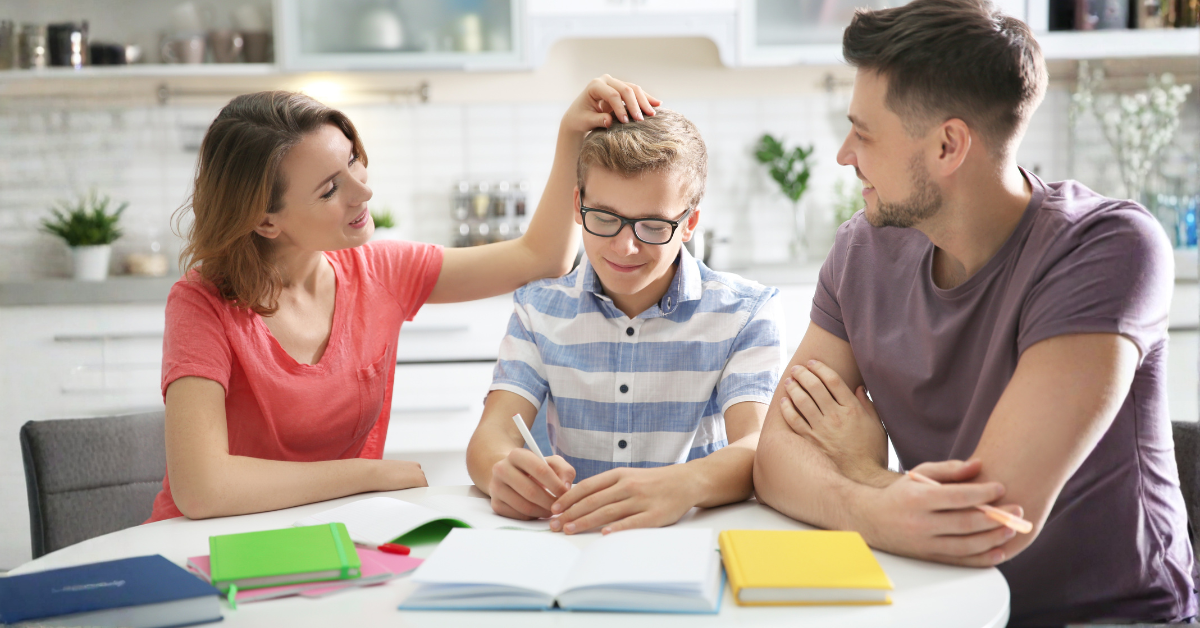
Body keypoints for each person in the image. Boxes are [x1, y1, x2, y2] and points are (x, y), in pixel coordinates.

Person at [751, 0, 1196, 624]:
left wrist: (857, 470)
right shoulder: (862, 250)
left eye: (864, 131)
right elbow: (775, 459)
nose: (844, 154)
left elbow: (992, 524)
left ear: (947, 145)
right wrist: (876, 504)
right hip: (947, 604)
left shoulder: (1107, 248)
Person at [147, 76, 660, 522]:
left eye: (353, 162)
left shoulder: (381, 271)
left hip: (337, 532)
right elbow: (202, 488)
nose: (362, 192)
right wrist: (367, 475)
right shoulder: (201, 304)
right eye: (330, 189)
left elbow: (541, 256)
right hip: (205, 541)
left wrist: (572, 132)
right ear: (265, 220)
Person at [465, 108, 785, 535]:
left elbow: (758, 444)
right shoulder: (537, 309)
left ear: (689, 222)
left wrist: (681, 485)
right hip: (574, 537)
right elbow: (489, 438)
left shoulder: (745, 313)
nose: (625, 246)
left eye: (652, 225)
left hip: (693, 539)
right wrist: (501, 471)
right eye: (605, 218)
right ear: (578, 206)